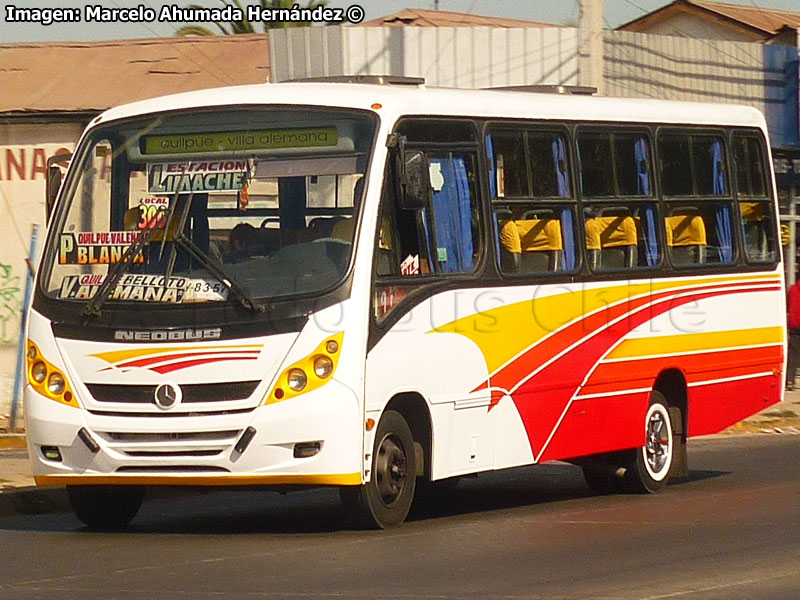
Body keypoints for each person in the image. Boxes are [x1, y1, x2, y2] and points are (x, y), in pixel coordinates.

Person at [787, 275, 800, 390]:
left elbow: (788, 305)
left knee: (794, 354)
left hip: (794, 325)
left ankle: (790, 380)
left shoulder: (792, 289)